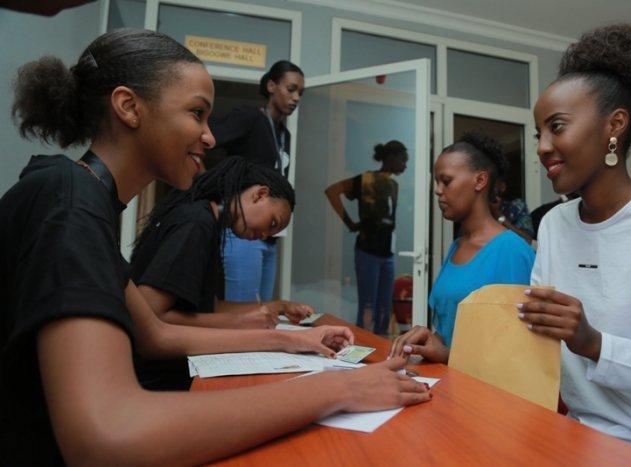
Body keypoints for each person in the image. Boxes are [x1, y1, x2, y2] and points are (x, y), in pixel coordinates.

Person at [0, 29, 430, 465]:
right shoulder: (71, 203)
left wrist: (288, 340)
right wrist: (341, 387)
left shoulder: (85, 198)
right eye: (197, 113)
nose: (209, 137)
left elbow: (155, 334)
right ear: (129, 107)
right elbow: (109, 435)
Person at [518, 24, 631, 464]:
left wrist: (597, 344)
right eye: (538, 134)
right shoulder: (554, 225)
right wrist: (452, 351)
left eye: (556, 127)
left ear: (614, 125)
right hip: (575, 439)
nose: (542, 147)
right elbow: (537, 343)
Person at [130, 156, 345, 390]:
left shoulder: (208, 221)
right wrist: (240, 323)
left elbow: (206, 307)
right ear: (259, 194)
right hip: (154, 380)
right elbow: (148, 316)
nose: (264, 235)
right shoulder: (196, 223)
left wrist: (277, 306)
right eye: (272, 223)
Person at [389, 132, 535, 362]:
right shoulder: (458, 245)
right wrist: (427, 339)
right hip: (448, 378)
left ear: (480, 181)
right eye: (436, 182)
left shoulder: (511, 251)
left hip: (480, 385)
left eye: (446, 181)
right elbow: (449, 329)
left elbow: (515, 352)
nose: (438, 190)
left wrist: (448, 356)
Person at [209, 60, 305, 302]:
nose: (296, 98)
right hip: (245, 230)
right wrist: (205, 187)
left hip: (269, 235)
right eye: (291, 89)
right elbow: (205, 138)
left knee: (261, 310)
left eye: (300, 93)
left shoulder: (285, 135)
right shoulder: (250, 118)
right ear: (271, 86)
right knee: (243, 312)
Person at [325, 141, 408, 335]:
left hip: (387, 253)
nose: (405, 165)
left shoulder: (394, 185)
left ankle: (381, 346)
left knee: (385, 305)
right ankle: (363, 344)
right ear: (391, 158)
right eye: (403, 160)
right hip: (367, 250)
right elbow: (332, 192)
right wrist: (349, 223)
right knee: (368, 305)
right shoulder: (366, 179)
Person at [490, 179, 535, 244]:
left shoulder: (515, 207)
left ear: (502, 186)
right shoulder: (477, 210)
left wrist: (499, 216)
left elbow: (527, 240)